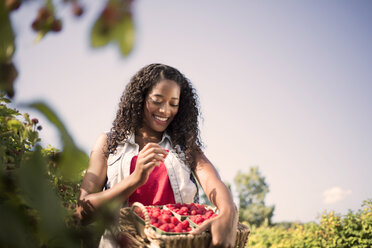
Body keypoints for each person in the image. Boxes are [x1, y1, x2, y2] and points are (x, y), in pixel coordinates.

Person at [75, 63, 238, 247]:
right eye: (157, 101)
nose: (165, 110)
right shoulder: (109, 143)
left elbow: (212, 182)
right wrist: (134, 180)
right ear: (140, 98)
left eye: (173, 104)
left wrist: (226, 213)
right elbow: (82, 212)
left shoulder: (184, 146)